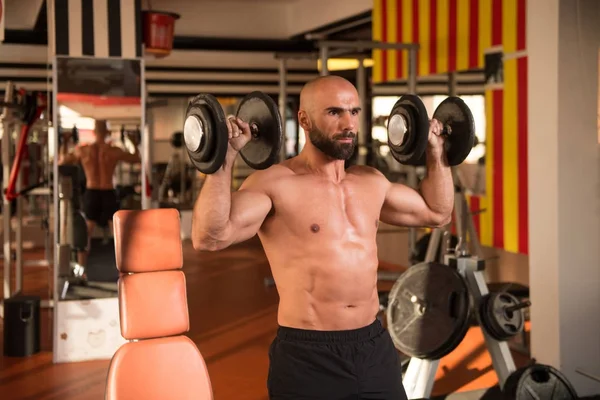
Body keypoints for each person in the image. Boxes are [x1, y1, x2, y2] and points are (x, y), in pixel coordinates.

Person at [191, 75, 454, 400]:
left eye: (354, 112)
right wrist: (222, 160)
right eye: (334, 112)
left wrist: (436, 151)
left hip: (373, 346)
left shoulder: (371, 181)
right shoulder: (276, 184)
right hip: (308, 355)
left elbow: (436, 213)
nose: (348, 123)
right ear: (304, 119)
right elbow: (210, 236)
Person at [59, 119, 141, 267]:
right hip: (108, 192)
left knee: (87, 233)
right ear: (107, 132)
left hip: (92, 192)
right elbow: (136, 158)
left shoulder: (83, 150)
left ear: (94, 132)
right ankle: (124, 268)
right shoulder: (113, 150)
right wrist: (133, 142)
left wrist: (65, 142)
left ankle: (82, 270)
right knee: (116, 233)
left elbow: (62, 161)